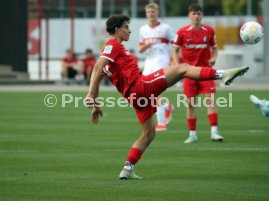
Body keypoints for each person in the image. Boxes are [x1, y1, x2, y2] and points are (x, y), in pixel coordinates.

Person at [85, 14, 249, 179]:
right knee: (182, 68)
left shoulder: (111, 52)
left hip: (135, 98)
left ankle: (127, 169)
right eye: (126, 27)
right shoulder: (113, 45)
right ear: (117, 29)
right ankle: (223, 75)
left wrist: (96, 104)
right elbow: (98, 67)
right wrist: (91, 94)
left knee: (149, 134)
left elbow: (98, 73)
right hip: (141, 87)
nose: (130, 30)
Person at [172, 3, 223, 143]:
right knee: (190, 103)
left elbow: (215, 48)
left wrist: (214, 58)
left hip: (205, 72)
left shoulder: (209, 31)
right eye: (193, 14)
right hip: (189, 73)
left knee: (210, 101)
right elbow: (175, 50)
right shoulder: (182, 32)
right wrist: (178, 67)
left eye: (199, 14)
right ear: (189, 15)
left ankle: (214, 132)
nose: (196, 16)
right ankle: (192, 134)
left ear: (202, 15)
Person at [139, 3, 175, 131]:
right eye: (148, 12)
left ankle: (161, 123)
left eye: (153, 12)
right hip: (149, 62)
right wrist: (146, 46)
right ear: (146, 14)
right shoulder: (143, 29)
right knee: (146, 91)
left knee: (155, 91)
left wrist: (175, 62)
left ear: (157, 13)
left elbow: (175, 45)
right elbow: (140, 49)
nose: (151, 14)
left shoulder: (166, 28)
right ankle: (166, 107)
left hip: (162, 61)